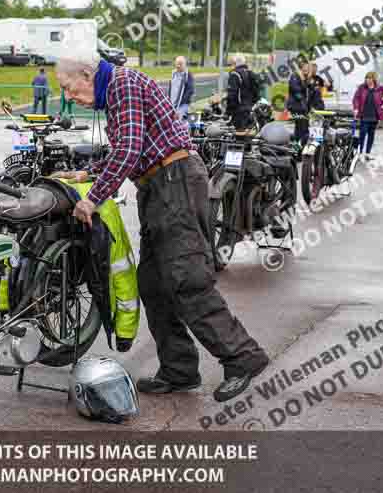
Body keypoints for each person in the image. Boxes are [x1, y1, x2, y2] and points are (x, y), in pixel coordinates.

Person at [52, 51, 270, 403]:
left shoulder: (122, 84)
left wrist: (91, 197)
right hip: (159, 184)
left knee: (187, 278)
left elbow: (129, 149)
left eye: (68, 87)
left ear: (86, 73)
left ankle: (241, 357)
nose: (68, 96)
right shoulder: (117, 90)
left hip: (175, 181)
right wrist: (87, 173)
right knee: (152, 283)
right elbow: (129, 148)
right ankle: (179, 369)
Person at [353, 72, 383, 161]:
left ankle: (368, 153)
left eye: (369, 78)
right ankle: (360, 153)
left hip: (374, 116)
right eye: (366, 78)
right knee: (362, 134)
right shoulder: (362, 87)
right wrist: (356, 108)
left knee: (371, 135)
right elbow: (356, 98)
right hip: (364, 115)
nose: (367, 80)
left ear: (374, 79)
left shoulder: (380, 88)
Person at [225, 55, 259, 130]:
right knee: (247, 133)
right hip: (249, 108)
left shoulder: (235, 74)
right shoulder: (251, 73)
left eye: (232, 64)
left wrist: (228, 112)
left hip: (238, 110)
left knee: (239, 134)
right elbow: (256, 92)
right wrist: (251, 104)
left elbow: (232, 95)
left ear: (235, 63)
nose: (231, 66)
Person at [287, 62, 315, 147]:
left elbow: (311, 90)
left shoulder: (306, 78)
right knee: (301, 128)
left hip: (303, 108)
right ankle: (297, 148)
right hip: (296, 107)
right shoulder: (295, 76)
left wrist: (309, 80)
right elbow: (297, 90)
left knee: (304, 128)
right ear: (301, 68)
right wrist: (304, 81)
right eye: (306, 67)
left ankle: (299, 147)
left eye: (308, 68)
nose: (307, 69)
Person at [168, 56, 195, 120]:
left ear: (185, 64)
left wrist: (181, 103)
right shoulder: (174, 74)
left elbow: (190, 90)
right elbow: (171, 89)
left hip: (182, 105)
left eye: (180, 64)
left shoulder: (188, 75)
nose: (178, 66)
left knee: (177, 118)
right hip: (172, 104)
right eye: (177, 63)